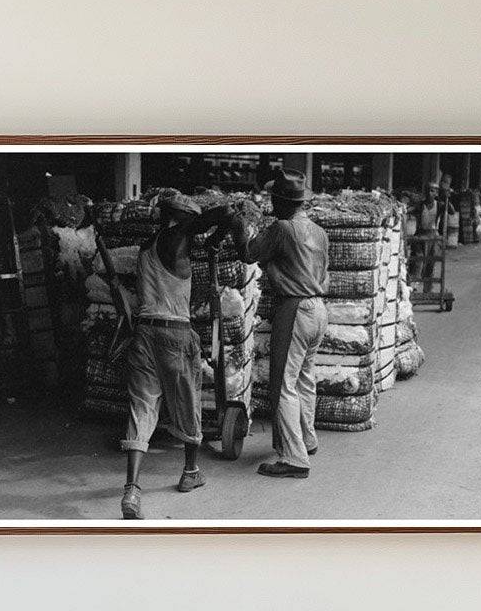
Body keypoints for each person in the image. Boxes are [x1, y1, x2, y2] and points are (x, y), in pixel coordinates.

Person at [119, 194, 221, 520]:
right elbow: (225, 213)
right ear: (183, 220)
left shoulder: (147, 246)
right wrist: (219, 233)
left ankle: (132, 488)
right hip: (174, 334)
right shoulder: (178, 238)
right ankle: (190, 471)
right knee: (189, 402)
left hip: (143, 333)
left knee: (142, 408)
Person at [228, 169, 329, 479]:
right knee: (304, 379)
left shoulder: (282, 229)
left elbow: (247, 254)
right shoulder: (318, 232)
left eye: (274, 199)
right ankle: (307, 439)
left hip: (295, 309)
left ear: (283, 202)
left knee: (282, 386)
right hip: (318, 308)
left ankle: (294, 458)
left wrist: (236, 226)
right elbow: (322, 272)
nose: (271, 204)